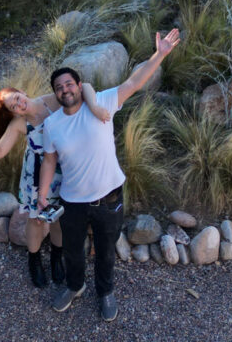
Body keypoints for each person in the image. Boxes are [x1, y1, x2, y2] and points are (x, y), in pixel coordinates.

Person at [38, 28, 180, 321]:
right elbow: (50, 161)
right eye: (59, 88)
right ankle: (75, 286)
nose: (65, 90)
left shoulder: (102, 102)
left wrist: (160, 54)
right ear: (56, 94)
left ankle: (105, 292)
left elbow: (135, 81)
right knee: (72, 252)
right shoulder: (51, 126)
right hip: (73, 203)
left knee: (105, 252)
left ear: (79, 85)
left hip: (109, 197)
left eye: (68, 84)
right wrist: (41, 195)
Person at [0, 82, 110, 288]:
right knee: (36, 220)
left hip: (64, 171)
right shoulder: (20, 123)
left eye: (17, 98)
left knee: (57, 219)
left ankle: (56, 257)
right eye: (13, 107)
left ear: (22, 91)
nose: (19, 105)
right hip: (35, 177)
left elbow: (86, 87)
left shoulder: (51, 100)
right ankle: (34, 260)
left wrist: (95, 107)